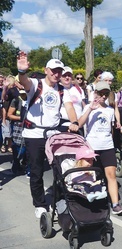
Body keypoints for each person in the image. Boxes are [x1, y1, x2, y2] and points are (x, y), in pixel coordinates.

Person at [16, 51, 79, 218]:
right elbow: (25, 81)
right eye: (53, 70)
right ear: (46, 70)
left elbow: (70, 108)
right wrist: (22, 71)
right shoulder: (37, 84)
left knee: (60, 170)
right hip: (34, 134)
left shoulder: (62, 90)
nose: (56, 74)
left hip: (53, 134)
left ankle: (60, 200)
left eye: (59, 71)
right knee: (36, 171)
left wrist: (75, 122)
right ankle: (40, 204)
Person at [78, 80, 122, 215]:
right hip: (92, 146)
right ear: (95, 93)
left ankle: (115, 204)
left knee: (111, 175)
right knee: (90, 175)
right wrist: (90, 109)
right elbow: (80, 123)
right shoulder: (88, 107)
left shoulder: (110, 110)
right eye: (101, 93)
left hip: (107, 146)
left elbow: (110, 129)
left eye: (106, 93)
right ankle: (87, 201)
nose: (104, 96)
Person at [7, 89, 29, 176]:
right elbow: (10, 114)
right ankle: (15, 166)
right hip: (18, 126)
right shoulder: (16, 100)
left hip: (30, 127)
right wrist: (21, 118)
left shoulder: (33, 99)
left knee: (27, 147)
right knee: (18, 147)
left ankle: (23, 166)